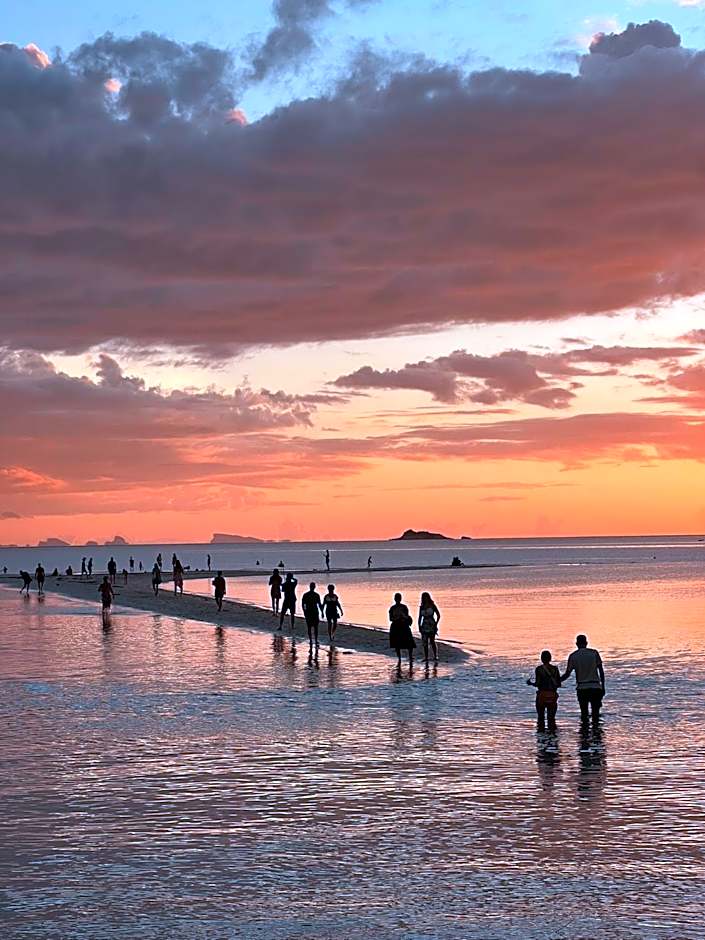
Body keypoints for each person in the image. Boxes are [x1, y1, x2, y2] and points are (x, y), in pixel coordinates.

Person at [560, 635, 605, 726]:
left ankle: (584, 737)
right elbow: (601, 670)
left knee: (584, 715)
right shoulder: (594, 653)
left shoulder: (573, 656)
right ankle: (596, 737)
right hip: (595, 687)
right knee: (596, 715)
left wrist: (556, 681)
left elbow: (567, 674)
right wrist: (603, 686)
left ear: (576, 644)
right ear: (586, 643)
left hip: (582, 688)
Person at [527, 650, 561, 731]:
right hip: (552, 695)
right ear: (550, 658)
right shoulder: (555, 669)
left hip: (541, 696)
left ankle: (541, 739)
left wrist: (530, 683)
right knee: (551, 719)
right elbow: (558, 684)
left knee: (540, 718)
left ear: (541, 659)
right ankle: (552, 737)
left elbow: (538, 684)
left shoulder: (539, 669)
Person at [389, 592, 415, 666]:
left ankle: (410, 656)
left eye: (399, 598)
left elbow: (407, 616)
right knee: (397, 643)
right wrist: (397, 617)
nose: (398, 599)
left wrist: (403, 617)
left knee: (409, 642)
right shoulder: (392, 608)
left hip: (404, 625)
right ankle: (399, 658)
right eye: (396, 598)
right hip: (396, 626)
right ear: (394, 599)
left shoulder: (404, 607)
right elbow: (391, 618)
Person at [418, 591, 440, 664]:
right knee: (425, 642)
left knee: (432, 640)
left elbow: (438, 615)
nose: (425, 598)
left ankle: (435, 656)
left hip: (431, 623)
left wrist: (436, 623)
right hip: (424, 624)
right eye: (424, 597)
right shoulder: (422, 607)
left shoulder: (432, 605)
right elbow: (420, 617)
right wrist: (419, 626)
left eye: (426, 597)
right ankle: (426, 657)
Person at [302, 582, 323, 651]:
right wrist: (322, 612)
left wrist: (304, 611)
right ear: (314, 587)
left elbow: (303, 605)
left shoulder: (308, 595)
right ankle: (314, 640)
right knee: (314, 627)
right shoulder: (315, 595)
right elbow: (319, 604)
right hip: (312, 612)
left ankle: (312, 640)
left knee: (311, 627)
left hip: (311, 612)